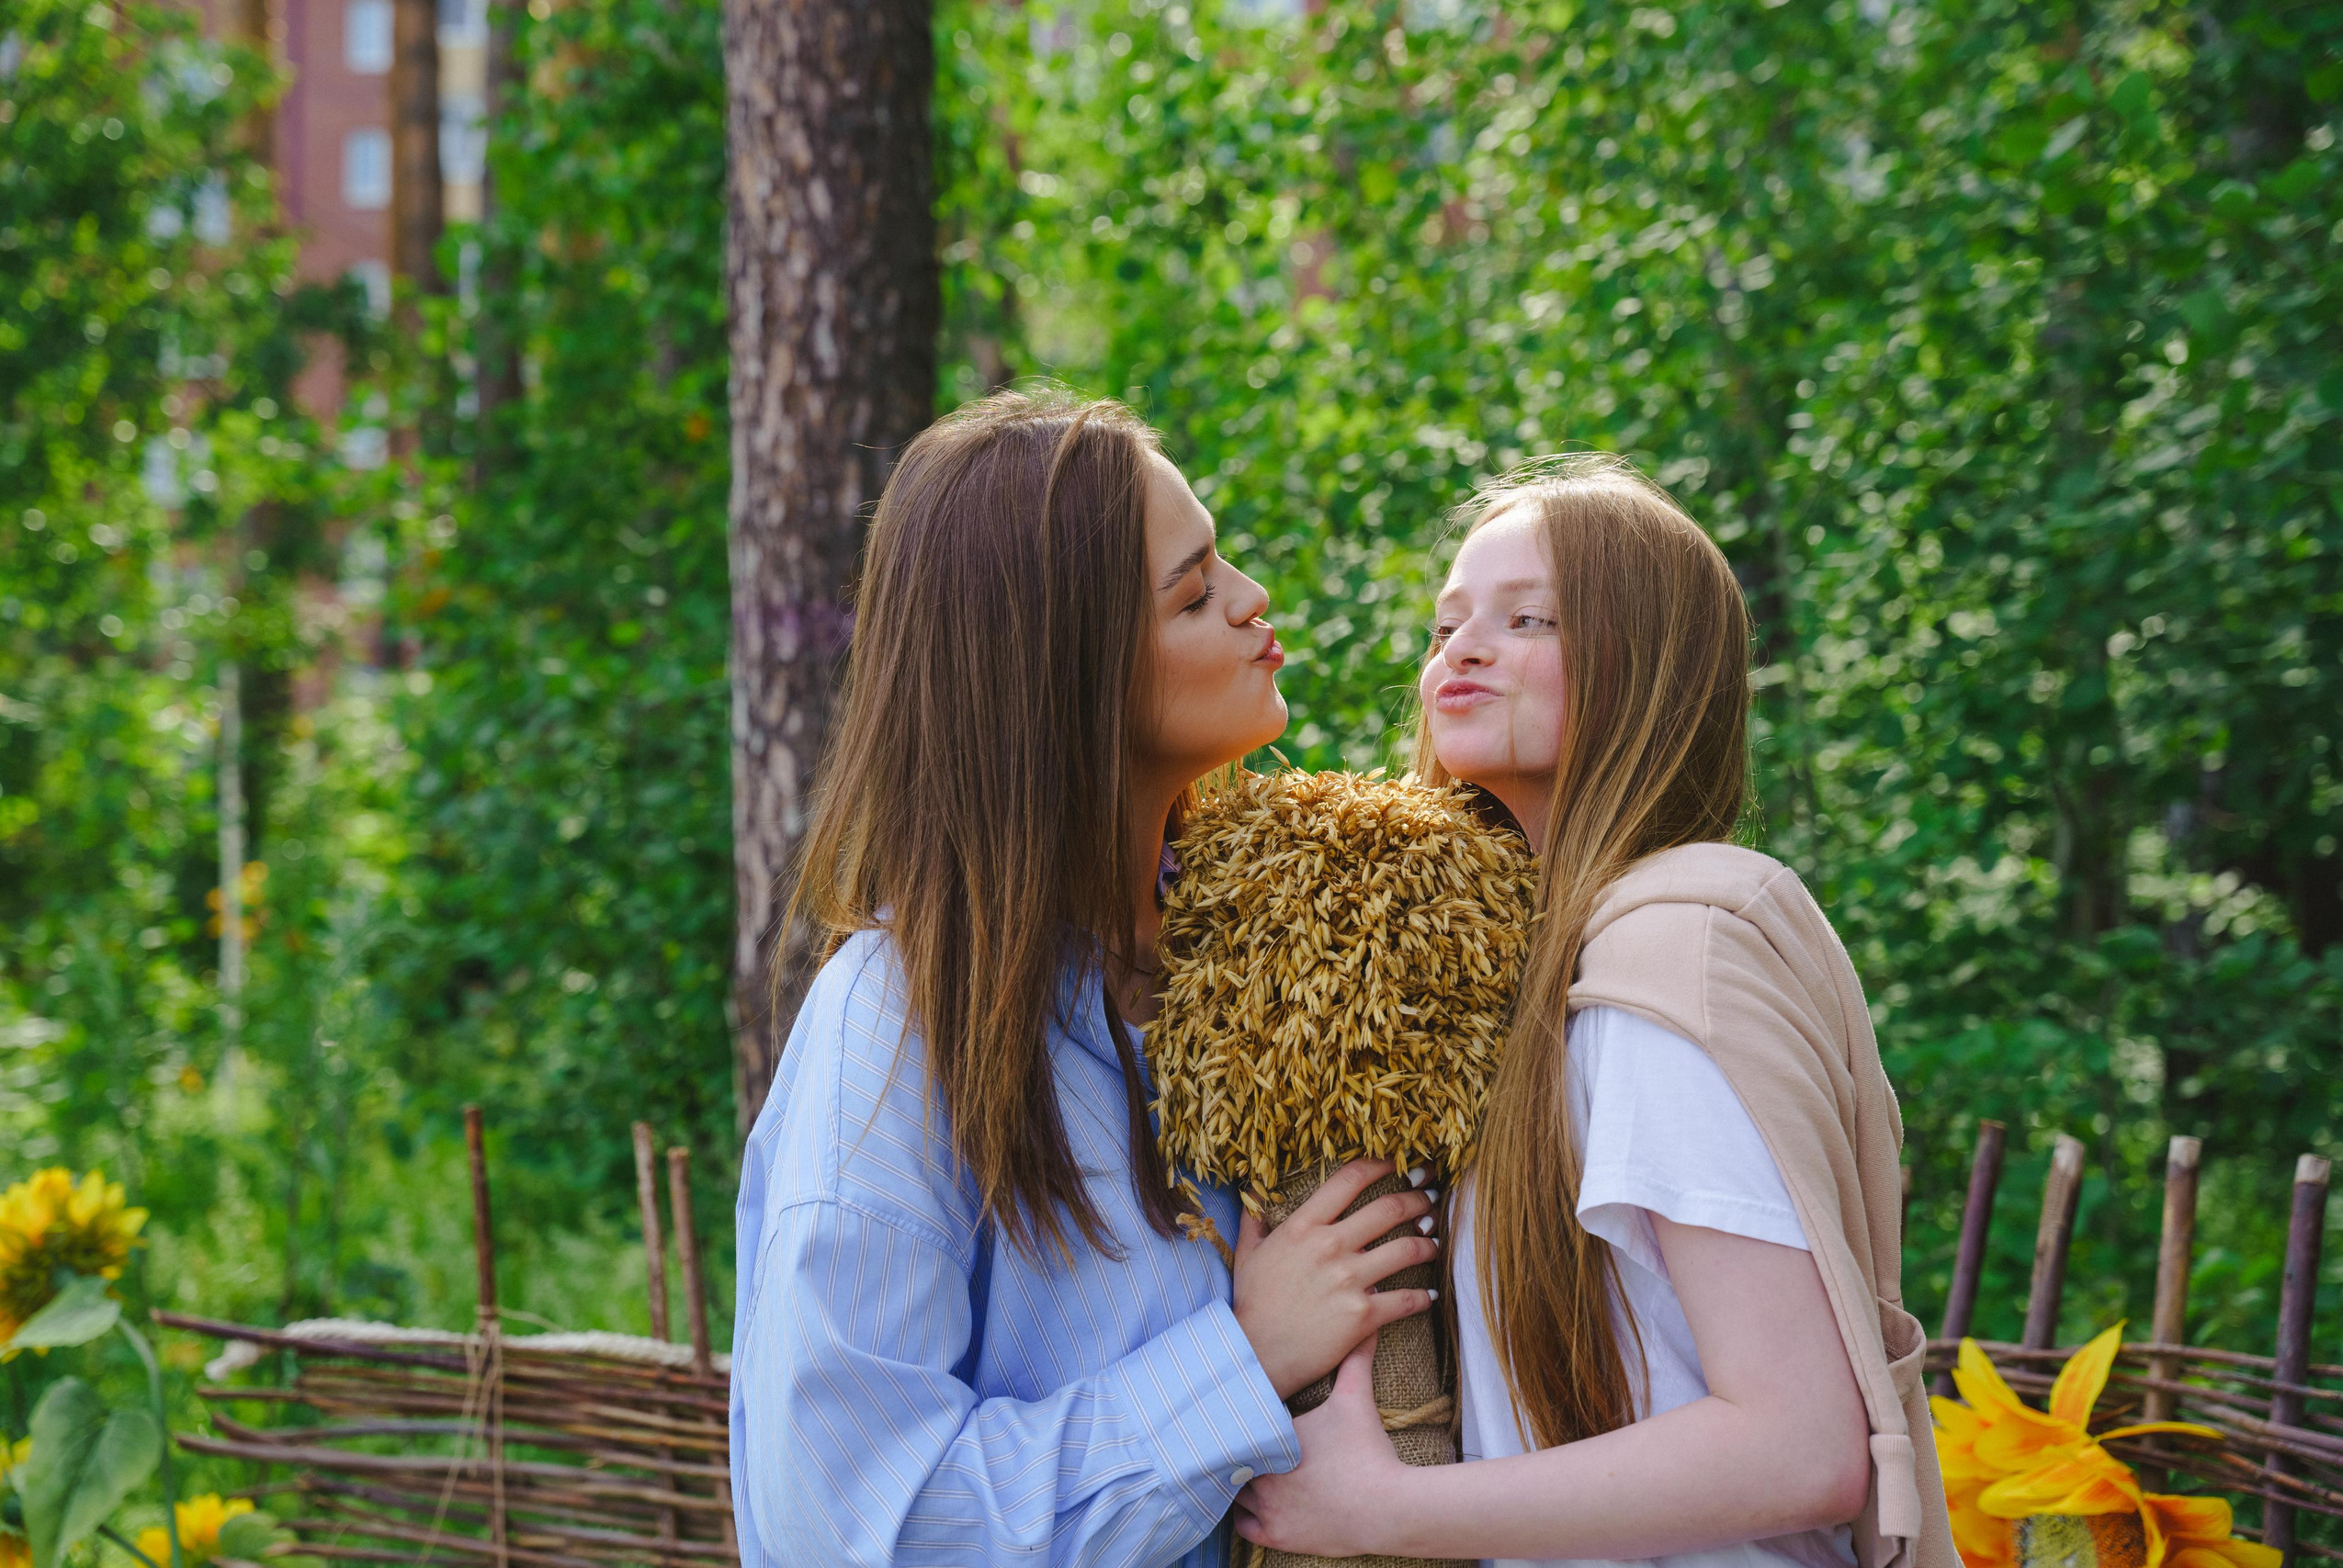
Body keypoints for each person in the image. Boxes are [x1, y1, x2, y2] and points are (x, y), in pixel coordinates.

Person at [729, 389, 1443, 1567]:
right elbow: (852, 1529)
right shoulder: (894, 1034)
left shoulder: (1223, 967)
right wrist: (1239, 1365)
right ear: (1066, 677)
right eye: (1193, 591)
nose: (1253, 601)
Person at [1234, 455, 1956, 1568]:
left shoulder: (1660, 954)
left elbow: (1799, 1446)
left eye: (1528, 619)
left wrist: (1384, 1511)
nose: (1460, 652)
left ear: (1649, 671)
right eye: (1444, 626)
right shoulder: (1520, 976)